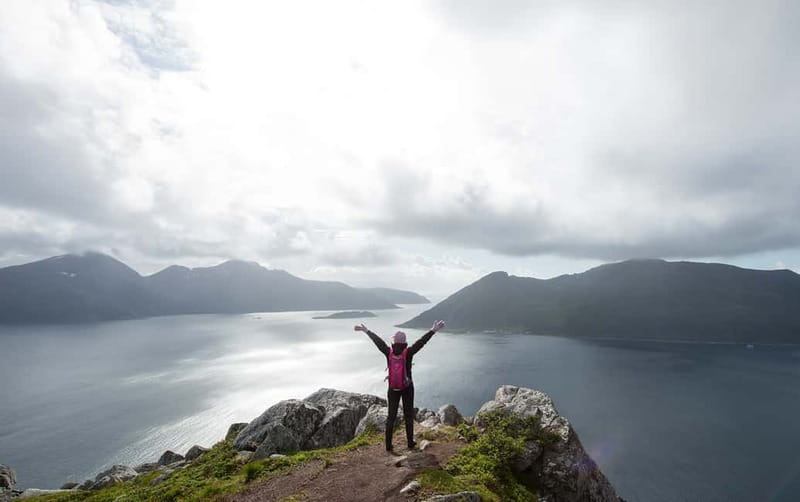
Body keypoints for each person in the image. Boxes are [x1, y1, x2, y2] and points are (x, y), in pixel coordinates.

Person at [354, 319, 446, 452]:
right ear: (404, 342)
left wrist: (366, 330)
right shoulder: (408, 352)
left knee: (391, 417)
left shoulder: (388, 352)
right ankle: (410, 442)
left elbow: (378, 342)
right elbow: (421, 342)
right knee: (409, 415)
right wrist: (433, 330)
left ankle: (388, 445)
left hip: (393, 388)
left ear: (394, 341)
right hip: (407, 387)